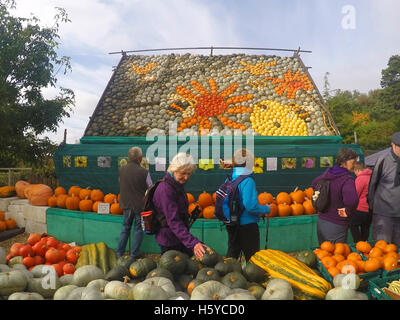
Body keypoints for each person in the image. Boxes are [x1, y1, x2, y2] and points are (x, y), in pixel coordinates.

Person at [152, 152, 207, 258]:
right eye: (183, 173)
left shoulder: (176, 184)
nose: (186, 177)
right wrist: (193, 242)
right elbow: (173, 220)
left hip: (179, 236)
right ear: (174, 169)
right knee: (174, 268)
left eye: (189, 173)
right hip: (169, 239)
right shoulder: (166, 189)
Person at [223, 148, 270, 262]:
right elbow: (250, 206)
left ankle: (228, 275)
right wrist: (266, 209)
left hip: (232, 223)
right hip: (247, 225)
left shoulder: (229, 179)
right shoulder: (248, 181)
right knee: (253, 258)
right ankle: (251, 278)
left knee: (232, 254)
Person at [312, 148, 359, 244]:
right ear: (343, 162)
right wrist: (348, 210)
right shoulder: (346, 179)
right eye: (353, 162)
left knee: (324, 253)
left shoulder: (327, 174)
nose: (355, 165)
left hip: (321, 221)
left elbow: (314, 183)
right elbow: (352, 200)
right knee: (336, 255)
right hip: (337, 223)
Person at [116, 147, 152, 258]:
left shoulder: (121, 169)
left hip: (126, 203)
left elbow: (120, 182)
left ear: (129, 157)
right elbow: (150, 188)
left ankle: (119, 252)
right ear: (140, 159)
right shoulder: (144, 172)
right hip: (139, 206)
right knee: (138, 229)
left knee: (125, 228)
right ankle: (134, 254)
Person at [368, 131, 400, 246]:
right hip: (383, 213)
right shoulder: (383, 160)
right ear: (392, 145)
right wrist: (372, 206)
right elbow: (373, 184)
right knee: (382, 247)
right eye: (399, 147)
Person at [349, 161, 372, 242]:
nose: (355, 174)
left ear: (357, 170)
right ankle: (364, 243)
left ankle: (358, 243)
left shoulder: (360, 178)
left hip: (360, 209)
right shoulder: (371, 177)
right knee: (365, 227)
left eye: (355, 172)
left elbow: (355, 195)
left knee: (352, 224)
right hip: (370, 209)